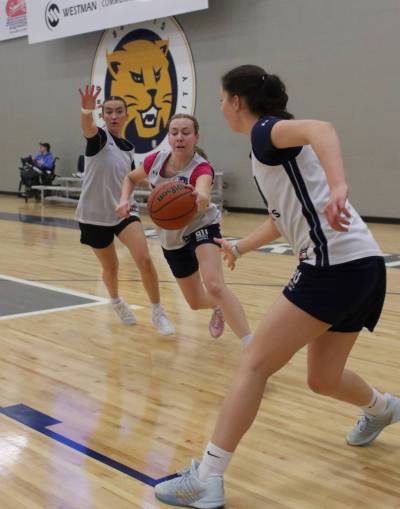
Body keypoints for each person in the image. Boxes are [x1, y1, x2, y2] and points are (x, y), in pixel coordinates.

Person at [154, 65, 400, 508]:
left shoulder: (265, 132)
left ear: (236, 102)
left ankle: (208, 478)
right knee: (322, 379)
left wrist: (341, 185)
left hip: (332, 268)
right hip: (362, 265)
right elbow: (281, 218)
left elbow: (322, 129)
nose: (220, 107)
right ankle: (382, 408)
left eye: (221, 98)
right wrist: (241, 247)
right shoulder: (267, 149)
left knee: (253, 364)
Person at [116, 113, 252, 345]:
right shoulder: (155, 161)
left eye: (186, 133)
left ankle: (251, 344)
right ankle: (219, 306)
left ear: (196, 137)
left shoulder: (202, 169)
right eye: (174, 132)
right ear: (168, 137)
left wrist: (199, 197)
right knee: (196, 301)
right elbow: (130, 177)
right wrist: (123, 200)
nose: (180, 137)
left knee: (214, 284)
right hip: (172, 238)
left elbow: (203, 192)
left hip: (202, 226)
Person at [76, 84, 174, 335]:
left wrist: (156, 185)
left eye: (119, 111)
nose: (114, 116)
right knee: (111, 267)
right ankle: (117, 302)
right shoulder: (98, 138)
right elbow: (86, 127)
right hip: (94, 214)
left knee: (145, 259)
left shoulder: (129, 147)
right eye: (108, 112)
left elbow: (130, 176)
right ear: (103, 115)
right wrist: (86, 109)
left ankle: (158, 312)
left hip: (124, 210)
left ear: (127, 114)